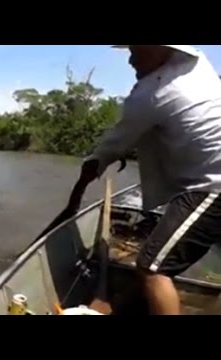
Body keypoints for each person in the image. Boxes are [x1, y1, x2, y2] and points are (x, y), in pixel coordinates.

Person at [80, 45, 221, 315]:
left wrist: (94, 163)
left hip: (213, 186)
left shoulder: (150, 93)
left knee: (152, 267)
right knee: (156, 258)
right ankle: (122, 305)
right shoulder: (198, 66)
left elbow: (116, 140)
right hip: (205, 181)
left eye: (139, 51)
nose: (131, 59)